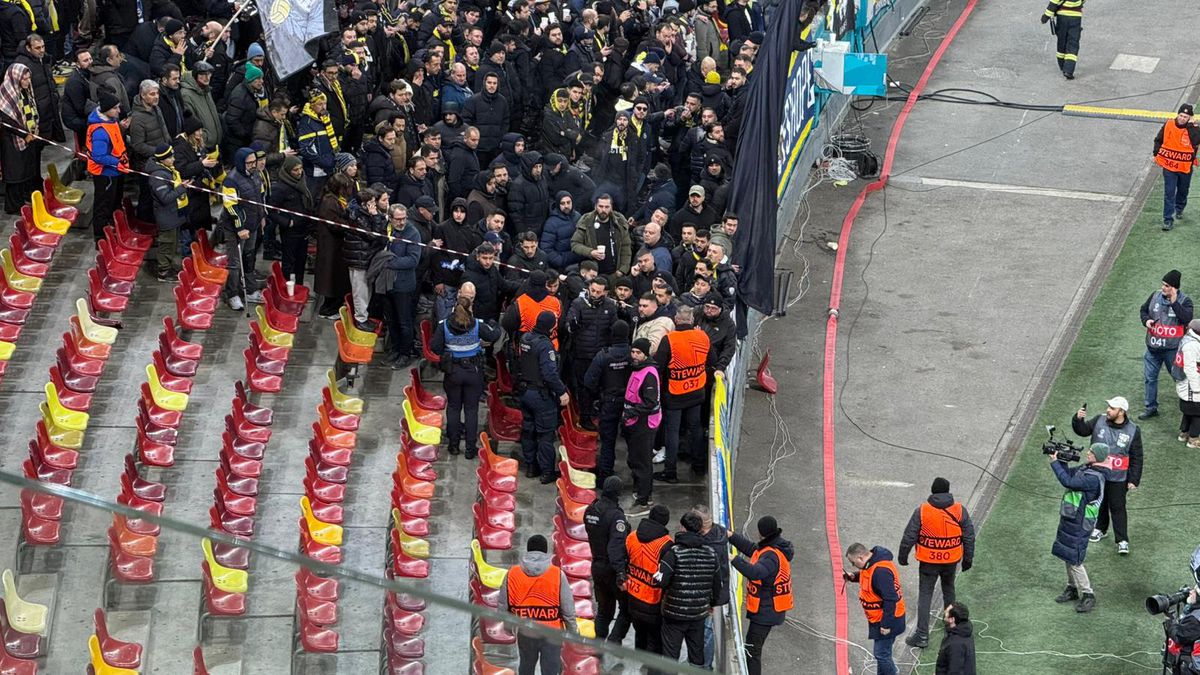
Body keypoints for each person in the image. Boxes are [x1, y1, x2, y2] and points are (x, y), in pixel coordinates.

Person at [898, 477, 976, 649]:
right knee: (949, 591)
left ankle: (922, 635)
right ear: (948, 491)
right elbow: (969, 536)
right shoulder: (959, 510)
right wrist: (967, 559)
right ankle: (951, 627)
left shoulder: (923, 510)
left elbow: (909, 536)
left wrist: (903, 556)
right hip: (951, 560)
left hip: (928, 561)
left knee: (925, 595)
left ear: (932, 491)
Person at [431, 295, 501, 457]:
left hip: (453, 372)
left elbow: (435, 347)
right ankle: (470, 449)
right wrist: (493, 324)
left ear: (455, 307)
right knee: (471, 410)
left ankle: (453, 446)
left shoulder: (444, 326)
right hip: (473, 372)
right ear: (470, 308)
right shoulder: (476, 325)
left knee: (454, 408)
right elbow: (494, 335)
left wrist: (448, 352)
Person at [1071, 396, 1142, 554]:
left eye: (1112, 408)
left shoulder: (1133, 430)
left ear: (1121, 412)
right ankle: (1100, 529)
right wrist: (1078, 420)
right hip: (1098, 475)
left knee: (1118, 507)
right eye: (1108, 407)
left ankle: (1122, 540)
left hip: (1118, 477)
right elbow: (1082, 431)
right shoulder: (1099, 420)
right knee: (1100, 503)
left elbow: (1137, 457)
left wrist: (1133, 479)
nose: (1108, 410)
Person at [500, 534, 576, 675]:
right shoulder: (557, 574)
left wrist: (508, 627)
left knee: (526, 667)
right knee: (551, 670)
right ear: (545, 551)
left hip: (525, 631)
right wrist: (572, 631)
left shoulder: (512, 573)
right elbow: (568, 608)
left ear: (528, 551)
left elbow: (503, 605)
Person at [654, 510, 719, 669]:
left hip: (674, 615)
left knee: (670, 656)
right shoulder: (711, 554)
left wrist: (656, 576)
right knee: (697, 655)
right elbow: (717, 584)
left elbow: (661, 581)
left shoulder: (673, 553)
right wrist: (712, 603)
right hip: (698, 615)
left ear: (682, 528)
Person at [730, 516, 794, 675]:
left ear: (760, 532)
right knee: (752, 649)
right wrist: (730, 536)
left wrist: (733, 559)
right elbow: (753, 550)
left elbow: (754, 573)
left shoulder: (771, 556)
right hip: (768, 609)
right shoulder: (774, 546)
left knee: (752, 652)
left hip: (766, 611)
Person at [1050, 442, 1109, 613]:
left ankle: (1088, 594)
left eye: (1091, 452)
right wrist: (1062, 460)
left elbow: (1067, 481)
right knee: (1067, 555)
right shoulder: (1088, 468)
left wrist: (1054, 462)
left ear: (1096, 456)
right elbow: (1069, 474)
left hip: (1080, 522)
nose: (1088, 453)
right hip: (1072, 518)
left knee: (1075, 559)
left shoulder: (1092, 477)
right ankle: (1072, 588)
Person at [654, 305, 711, 483]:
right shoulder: (702, 336)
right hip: (696, 390)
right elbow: (712, 359)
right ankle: (699, 466)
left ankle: (670, 472)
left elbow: (658, 366)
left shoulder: (669, 340)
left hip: (675, 393)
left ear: (676, 320)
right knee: (695, 428)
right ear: (692, 320)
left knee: (672, 432)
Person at [516, 310, 569, 482]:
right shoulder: (545, 345)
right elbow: (550, 374)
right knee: (545, 434)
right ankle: (547, 472)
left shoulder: (525, 339)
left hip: (524, 391)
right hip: (541, 395)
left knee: (528, 430)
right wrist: (562, 391)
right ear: (552, 326)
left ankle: (531, 466)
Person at [845, 542, 906, 675]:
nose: (853, 565)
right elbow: (869, 577)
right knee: (883, 654)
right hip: (882, 619)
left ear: (861, 557)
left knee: (882, 654)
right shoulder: (872, 564)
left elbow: (890, 600)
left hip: (887, 620)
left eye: (853, 562)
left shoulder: (880, 572)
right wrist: (854, 576)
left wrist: (886, 624)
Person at [619, 504, 671, 657]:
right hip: (653, 601)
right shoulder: (666, 545)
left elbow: (624, 560)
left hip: (632, 595)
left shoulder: (632, 536)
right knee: (655, 640)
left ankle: (640, 657)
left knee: (639, 632)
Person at [1140, 270, 1194, 418]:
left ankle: (1190, 408)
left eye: (1167, 285)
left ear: (1174, 288)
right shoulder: (1154, 296)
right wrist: (1146, 321)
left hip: (1173, 351)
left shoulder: (1185, 301)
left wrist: (1174, 302)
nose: (1163, 288)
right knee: (1150, 378)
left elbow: (1186, 319)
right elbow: (1143, 310)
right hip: (1153, 348)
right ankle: (1151, 408)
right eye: (1163, 284)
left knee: (1180, 379)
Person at [585, 320, 632, 482]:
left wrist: (599, 393)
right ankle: (637, 480)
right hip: (631, 404)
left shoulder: (603, 355)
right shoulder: (634, 354)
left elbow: (589, 380)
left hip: (609, 402)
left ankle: (605, 474)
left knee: (608, 441)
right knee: (633, 442)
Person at [219, 147, 266, 310]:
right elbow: (231, 207)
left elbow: (260, 197)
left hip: (253, 225)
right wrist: (240, 228)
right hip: (235, 229)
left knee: (249, 257)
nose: (254, 165)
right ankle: (232, 294)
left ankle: (250, 290)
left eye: (255, 161)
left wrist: (262, 216)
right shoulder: (230, 181)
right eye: (250, 162)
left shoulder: (255, 175)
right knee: (235, 263)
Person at [584, 475, 629, 641]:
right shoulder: (616, 516)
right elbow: (615, 547)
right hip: (611, 568)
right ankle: (614, 641)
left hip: (596, 565)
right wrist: (620, 572)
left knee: (604, 611)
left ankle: (598, 645)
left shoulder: (590, 510)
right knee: (626, 609)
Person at [624, 337, 662, 513]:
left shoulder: (648, 374)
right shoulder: (638, 369)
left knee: (642, 461)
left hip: (644, 423)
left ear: (646, 354)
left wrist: (632, 412)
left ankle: (644, 500)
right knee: (635, 458)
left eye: (638, 352)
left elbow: (649, 402)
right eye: (633, 351)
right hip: (634, 421)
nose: (634, 355)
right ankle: (639, 490)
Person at [382, 203, 421, 367]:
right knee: (391, 320)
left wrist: (389, 261)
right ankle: (396, 349)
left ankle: (406, 353)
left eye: (404, 218)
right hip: (387, 284)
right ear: (390, 218)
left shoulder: (412, 233)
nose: (401, 222)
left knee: (404, 322)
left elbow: (413, 260)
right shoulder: (386, 229)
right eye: (398, 219)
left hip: (404, 285)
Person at [87, 89, 129, 241]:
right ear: (106, 110)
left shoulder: (110, 121)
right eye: (115, 108)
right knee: (103, 206)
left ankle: (110, 230)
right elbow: (99, 156)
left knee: (112, 203)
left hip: (114, 171)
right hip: (105, 174)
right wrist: (117, 162)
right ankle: (100, 238)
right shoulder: (100, 131)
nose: (119, 110)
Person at [145, 143, 191, 281]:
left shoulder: (166, 170)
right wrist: (181, 188)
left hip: (172, 214)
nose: (173, 159)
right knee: (166, 244)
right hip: (166, 216)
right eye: (170, 157)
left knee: (172, 243)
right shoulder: (158, 176)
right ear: (162, 160)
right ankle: (163, 272)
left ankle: (168, 267)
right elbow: (165, 198)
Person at [0, 63, 41, 215]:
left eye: (29, 78)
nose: (27, 82)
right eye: (24, 79)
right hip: (11, 141)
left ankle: (22, 200)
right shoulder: (5, 94)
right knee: (15, 173)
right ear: (16, 78)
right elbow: (8, 121)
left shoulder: (25, 91)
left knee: (25, 171)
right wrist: (24, 134)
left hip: (28, 138)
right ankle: (13, 206)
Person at [271, 156, 316, 288]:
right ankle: (286, 287)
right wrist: (287, 222)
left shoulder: (303, 181)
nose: (299, 172)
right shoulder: (280, 188)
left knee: (301, 260)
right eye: (295, 170)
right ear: (288, 171)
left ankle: (300, 286)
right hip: (290, 231)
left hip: (304, 228)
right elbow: (271, 211)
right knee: (288, 261)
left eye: (300, 168)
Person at [1154, 104, 1199, 230]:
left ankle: (1179, 207)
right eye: (1181, 115)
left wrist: (1191, 126)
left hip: (1185, 167)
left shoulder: (1193, 128)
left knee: (1183, 190)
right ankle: (1168, 219)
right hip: (1169, 167)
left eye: (1185, 116)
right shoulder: (1169, 124)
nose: (1182, 118)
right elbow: (1159, 139)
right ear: (1177, 114)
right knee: (1169, 193)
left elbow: (1196, 141)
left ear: (1190, 117)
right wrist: (1156, 153)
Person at [1040, 0, 1083, 79]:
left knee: (1062, 41)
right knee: (1073, 43)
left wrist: (1045, 17)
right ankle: (1068, 70)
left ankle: (1062, 65)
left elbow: (1053, 4)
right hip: (1076, 17)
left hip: (1062, 17)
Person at [935, 602, 977, 675]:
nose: (944, 612)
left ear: (952, 619)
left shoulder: (955, 644)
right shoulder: (964, 630)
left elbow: (955, 671)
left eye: (947, 612)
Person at [1176, 319, 1200, 447]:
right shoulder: (1192, 345)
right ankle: (1193, 439)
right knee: (1197, 411)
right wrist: (1197, 388)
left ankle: (1184, 433)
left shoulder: (1188, 339)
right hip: (1190, 384)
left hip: (1186, 384)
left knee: (1189, 410)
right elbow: (1190, 369)